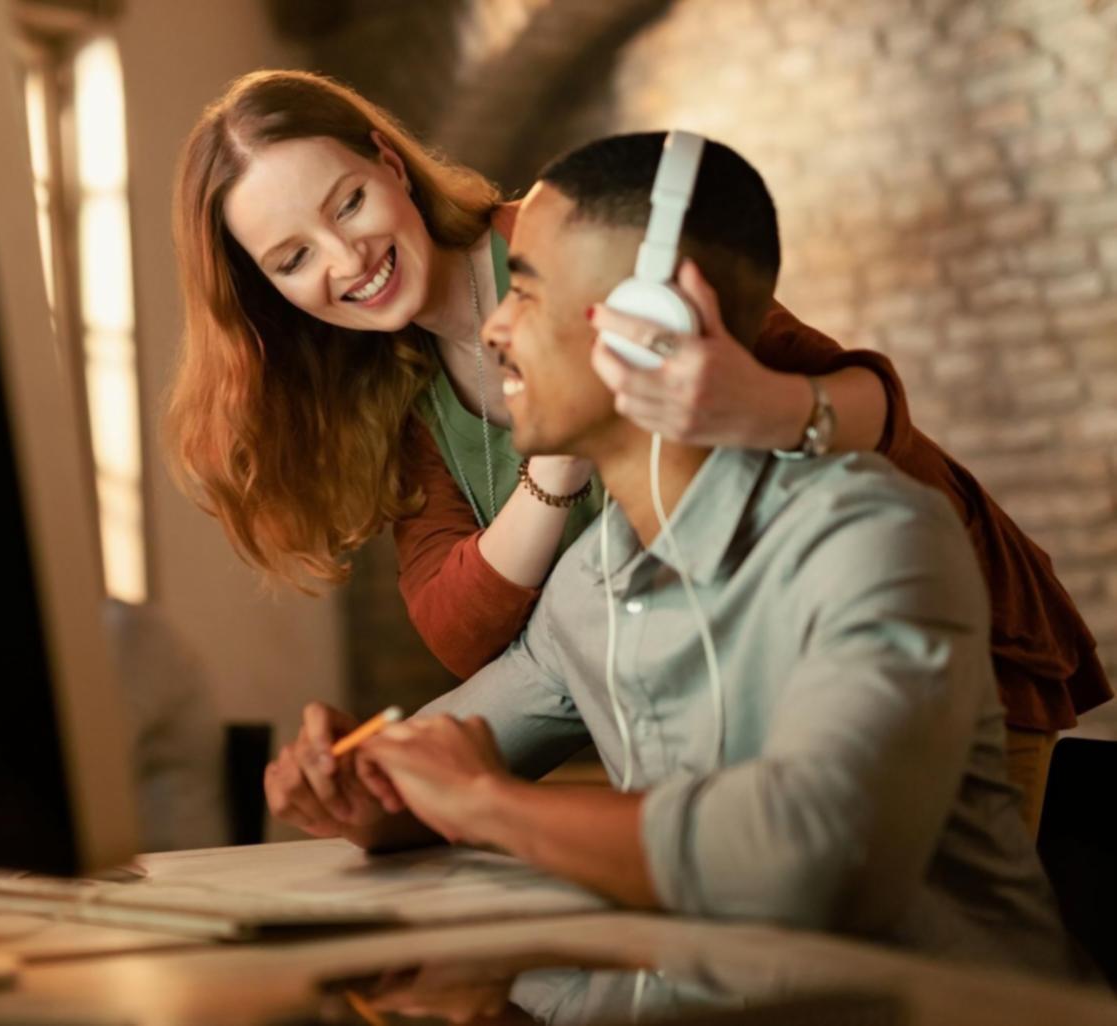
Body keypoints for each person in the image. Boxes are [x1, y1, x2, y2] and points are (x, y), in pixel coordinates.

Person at [167, 71, 1109, 830]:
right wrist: (553, 475)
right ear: (265, 290)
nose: (344, 261)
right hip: (746, 719)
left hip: (930, 646)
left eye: (347, 203)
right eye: (292, 258)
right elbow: (466, 632)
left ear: (388, 163)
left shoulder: (576, 241)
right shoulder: (396, 385)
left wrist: (759, 403)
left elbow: (870, 405)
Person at [263, 133, 1087, 979]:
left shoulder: (869, 539)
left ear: (653, 324)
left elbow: (811, 856)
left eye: (528, 290)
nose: (494, 328)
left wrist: (486, 805)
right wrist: (355, 786)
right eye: (290, 257)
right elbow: (448, 751)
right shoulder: (591, 589)